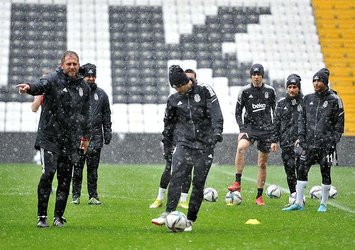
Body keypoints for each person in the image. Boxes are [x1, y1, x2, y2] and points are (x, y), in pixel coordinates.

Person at [16, 50, 91, 227]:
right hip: (49, 137)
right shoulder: (52, 79)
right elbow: (39, 85)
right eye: (69, 64)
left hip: (70, 140)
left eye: (75, 64)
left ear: (79, 65)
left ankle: (59, 216)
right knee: (49, 173)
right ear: (62, 65)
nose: (72, 67)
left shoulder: (84, 88)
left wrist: (86, 137)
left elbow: (86, 115)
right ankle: (42, 216)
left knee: (65, 179)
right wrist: (29, 87)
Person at [151, 65, 223, 232]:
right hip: (185, 143)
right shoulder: (174, 100)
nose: (177, 90)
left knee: (198, 183)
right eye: (174, 87)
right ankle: (169, 212)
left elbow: (216, 112)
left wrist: (217, 131)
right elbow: (168, 126)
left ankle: (190, 220)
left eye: (178, 86)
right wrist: (167, 147)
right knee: (176, 175)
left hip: (205, 144)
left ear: (185, 82)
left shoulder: (205, 91)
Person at [283, 69, 344, 212]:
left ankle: (323, 203)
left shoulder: (335, 100)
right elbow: (301, 120)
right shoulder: (308, 98)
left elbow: (339, 124)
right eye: (314, 81)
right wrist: (302, 138)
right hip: (308, 144)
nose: (316, 83)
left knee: (325, 172)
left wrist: (333, 141)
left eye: (319, 81)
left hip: (326, 145)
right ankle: (298, 203)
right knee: (301, 170)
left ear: (325, 82)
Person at [227, 63, 277, 206]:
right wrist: (242, 128)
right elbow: (237, 112)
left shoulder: (270, 91)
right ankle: (237, 182)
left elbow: (276, 114)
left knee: (262, 163)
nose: (256, 77)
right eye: (254, 75)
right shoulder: (244, 91)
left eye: (258, 75)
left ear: (262, 76)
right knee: (241, 147)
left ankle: (259, 197)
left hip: (266, 130)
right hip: (249, 128)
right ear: (251, 76)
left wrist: (274, 136)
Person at [149, 69, 197, 210]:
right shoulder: (175, 99)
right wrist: (167, 144)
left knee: (188, 169)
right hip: (177, 140)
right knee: (169, 168)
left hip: (192, 140)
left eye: (191, 79)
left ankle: (183, 200)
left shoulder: (198, 98)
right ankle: (160, 198)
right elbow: (168, 123)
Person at [71, 63, 112, 205]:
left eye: (93, 76)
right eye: (88, 75)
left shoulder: (102, 95)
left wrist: (107, 132)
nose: (90, 78)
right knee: (77, 168)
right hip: (78, 138)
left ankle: (93, 196)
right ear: (82, 76)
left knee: (93, 170)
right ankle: (75, 196)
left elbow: (106, 116)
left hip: (96, 137)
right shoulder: (75, 92)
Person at [271, 74, 303, 204]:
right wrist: (274, 140)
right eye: (289, 87)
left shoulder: (305, 102)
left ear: (299, 88)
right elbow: (276, 123)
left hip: (301, 143)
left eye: (294, 87)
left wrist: (302, 138)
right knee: (289, 170)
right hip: (286, 143)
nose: (292, 89)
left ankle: (300, 195)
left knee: (300, 169)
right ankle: (293, 195)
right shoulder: (281, 103)